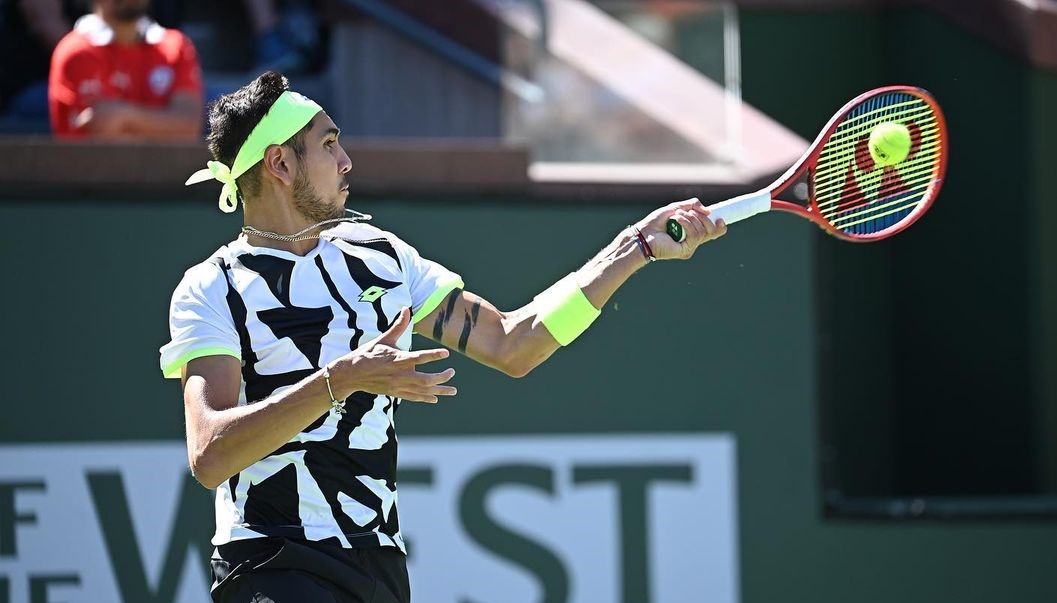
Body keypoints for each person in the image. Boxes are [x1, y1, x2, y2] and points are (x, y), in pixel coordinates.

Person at [160, 71, 726, 603]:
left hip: (378, 564)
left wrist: (635, 247)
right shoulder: (211, 288)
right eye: (329, 145)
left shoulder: (383, 258)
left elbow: (513, 343)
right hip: (272, 561)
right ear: (280, 163)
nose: (346, 160)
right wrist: (339, 380)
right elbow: (210, 455)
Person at [48, 0, 203, 139]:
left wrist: (125, 116)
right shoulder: (76, 51)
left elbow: (189, 127)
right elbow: (105, 134)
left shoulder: (176, 45)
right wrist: (164, 123)